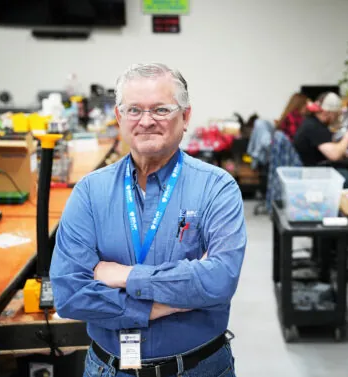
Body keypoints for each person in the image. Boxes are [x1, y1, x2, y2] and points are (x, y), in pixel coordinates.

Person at [50, 63, 246, 377]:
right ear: (118, 117)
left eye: (160, 109)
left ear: (185, 116)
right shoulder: (90, 192)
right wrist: (165, 304)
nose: (146, 121)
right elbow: (69, 295)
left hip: (199, 368)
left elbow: (220, 280)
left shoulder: (216, 188)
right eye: (134, 110)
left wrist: (125, 276)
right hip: (110, 370)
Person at [293, 92, 348, 188]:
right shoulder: (313, 127)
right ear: (328, 113)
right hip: (317, 175)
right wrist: (347, 139)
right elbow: (334, 155)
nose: (337, 118)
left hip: (318, 171)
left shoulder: (313, 123)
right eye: (336, 114)